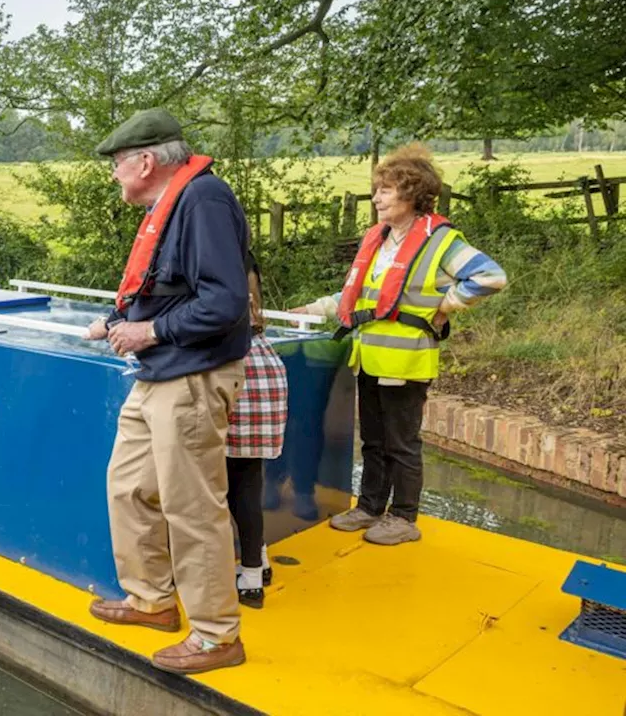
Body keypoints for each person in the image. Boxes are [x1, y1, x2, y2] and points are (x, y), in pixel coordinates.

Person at [83, 107, 251, 675]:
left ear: (147, 162)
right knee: (128, 487)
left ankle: (216, 636)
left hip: (192, 376)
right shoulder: (170, 203)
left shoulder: (203, 201)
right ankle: (151, 599)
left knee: (192, 506)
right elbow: (162, 284)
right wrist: (115, 318)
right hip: (159, 373)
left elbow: (224, 302)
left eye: (117, 164)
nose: (114, 175)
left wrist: (149, 331)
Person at [290, 144, 507, 545]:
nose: (376, 198)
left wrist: (448, 304)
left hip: (407, 362)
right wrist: (314, 308)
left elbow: (491, 277)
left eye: (385, 191)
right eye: (377, 191)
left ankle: (404, 517)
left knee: (402, 442)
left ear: (411, 193)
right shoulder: (380, 241)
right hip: (370, 358)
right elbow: (358, 298)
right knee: (372, 439)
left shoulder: (441, 241)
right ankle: (371, 507)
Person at [226, 250, 288, 609]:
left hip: (238, 376)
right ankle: (258, 560)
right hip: (264, 371)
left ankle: (249, 578)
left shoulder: (218, 269)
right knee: (248, 482)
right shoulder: (247, 272)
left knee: (233, 489)